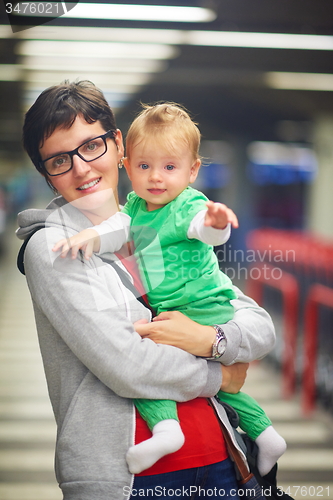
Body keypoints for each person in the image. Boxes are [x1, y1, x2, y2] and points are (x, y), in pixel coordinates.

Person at [17, 80, 276, 500]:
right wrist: (222, 371)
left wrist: (213, 338)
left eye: (91, 146)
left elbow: (259, 328)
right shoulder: (54, 247)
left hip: (223, 460)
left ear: (119, 145)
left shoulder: (165, 223)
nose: (82, 168)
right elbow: (126, 365)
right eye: (59, 160)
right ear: (46, 173)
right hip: (132, 480)